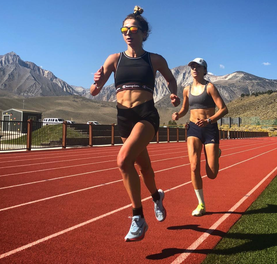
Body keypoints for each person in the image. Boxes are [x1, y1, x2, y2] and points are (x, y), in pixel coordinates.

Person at [90, 6, 180, 241]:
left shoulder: (155, 59)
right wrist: (96, 82)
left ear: (143, 33)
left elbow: (171, 80)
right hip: (123, 118)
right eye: (124, 29)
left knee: (122, 160)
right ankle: (157, 197)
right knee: (144, 168)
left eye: (133, 29)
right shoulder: (114, 59)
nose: (128, 33)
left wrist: (173, 95)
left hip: (145, 115)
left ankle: (138, 218)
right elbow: (94, 91)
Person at [172, 58, 228, 216]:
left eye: (198, 67)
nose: (194, 69)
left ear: (204, 70)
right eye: (192, 67)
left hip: (210, 129)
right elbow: (184, 109)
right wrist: (178, 114)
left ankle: (216, 154)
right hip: (193, 129)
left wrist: (210, 120)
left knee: (212, 174)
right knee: (194, 166)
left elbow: (224, 109)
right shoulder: (186, 89)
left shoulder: (209, 87)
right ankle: (201, 204)